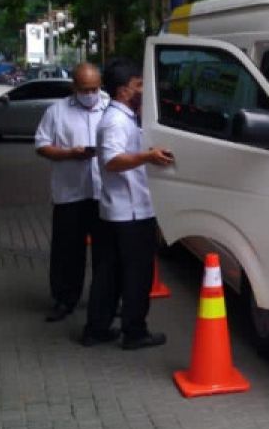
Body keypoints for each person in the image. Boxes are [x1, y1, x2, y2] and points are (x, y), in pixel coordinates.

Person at [81, 57, 174, 349]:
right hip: (129, 214)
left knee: (109, 274)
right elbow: (111, 160)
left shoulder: (124, 118)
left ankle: (97, 329)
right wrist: (148, 157)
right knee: (137, 275)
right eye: (139, 86)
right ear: (123, 91)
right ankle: (134, 332)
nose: (143, 91)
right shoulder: (116, 121)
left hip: (117, 211)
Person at [34, 62, 109, 323]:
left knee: (106, 252)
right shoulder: (57, 112)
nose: (91, 94)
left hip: (104, 194)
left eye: (95, 88)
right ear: (74, 87)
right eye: (85, 89)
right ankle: (64, 300)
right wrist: (69, 153)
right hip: (70, 194)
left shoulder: (110, 108)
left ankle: (106, 301)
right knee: (67, 251)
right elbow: (42, 145)